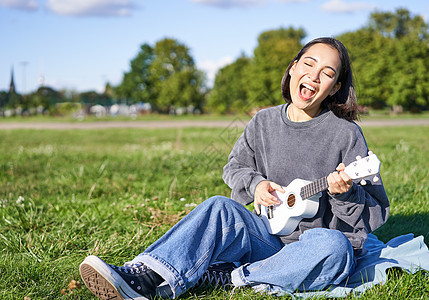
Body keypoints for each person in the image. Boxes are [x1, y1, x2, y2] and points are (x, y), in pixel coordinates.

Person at [79, 37, 390, 300]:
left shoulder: (346, 135)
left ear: (335, 87)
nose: (314, 76)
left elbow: (375, 213)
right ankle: (144, 275)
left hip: (309, 250)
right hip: (264, 236)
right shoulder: (263, 121)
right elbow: (235, 166)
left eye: (327, 73)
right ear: (293, 68)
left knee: (335, 249)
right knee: (219, 206)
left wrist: (344, 194)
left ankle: (232, 277)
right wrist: (255, 185)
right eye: (308, 64)